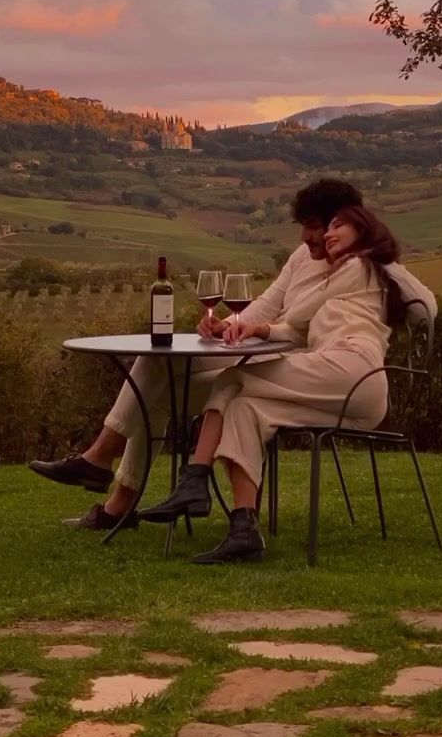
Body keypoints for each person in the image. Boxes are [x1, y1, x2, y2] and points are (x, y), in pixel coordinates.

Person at [28, 179, 435, 532]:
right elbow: (264, 307)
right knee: (157, 366)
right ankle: (109, 482)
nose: (309, 238)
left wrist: (374, 249)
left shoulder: (361, 267)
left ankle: (111, 484)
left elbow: (425, 307)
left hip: (295, 374)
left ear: (343, 224)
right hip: (261, 360)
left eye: (316, 227)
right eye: (310, 228)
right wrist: (226, 324)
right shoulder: (302, 260)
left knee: (167, 383)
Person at [138, 206, 425, 566]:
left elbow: (298, 311)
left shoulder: (360, 266)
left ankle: (195, 478)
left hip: (352, 370)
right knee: (245, 409)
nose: (329, 233)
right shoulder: (346, 281)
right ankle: (244, 531)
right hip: (339, 386)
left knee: (230, 377)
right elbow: (297, 328)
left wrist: (254, 321)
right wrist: (255, 328)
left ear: (364, 230)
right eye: (329, 225)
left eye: (338, 226)